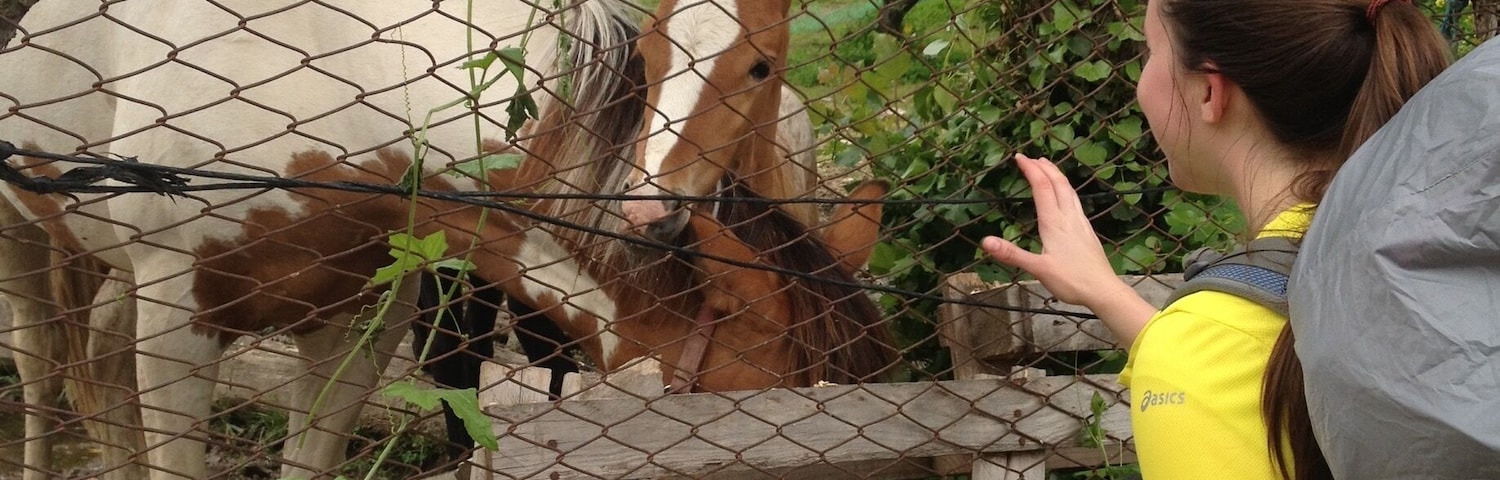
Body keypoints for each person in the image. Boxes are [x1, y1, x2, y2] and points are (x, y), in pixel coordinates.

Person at [980, 0, 1450, 478]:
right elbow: (1251, 356)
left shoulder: (1202, 357)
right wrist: (1108, 295)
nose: (1140, 81)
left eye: (1149, 51)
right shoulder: (1438, 240)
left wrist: (1180, 352)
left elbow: (1224, 371)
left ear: (1209, 90)